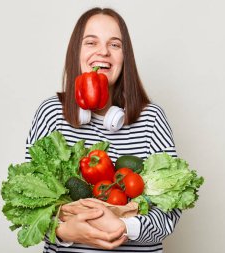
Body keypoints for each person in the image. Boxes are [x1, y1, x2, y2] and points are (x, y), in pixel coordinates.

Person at [25, 7, 181, 253]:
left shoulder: (151, 118)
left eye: (115, 45)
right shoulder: (52, 113)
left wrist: (124, 227)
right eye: (91, 42)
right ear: (76, 52)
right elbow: (28, 204)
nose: (103, 52)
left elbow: (169, 213)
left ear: (124, 56)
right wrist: (64, 231)